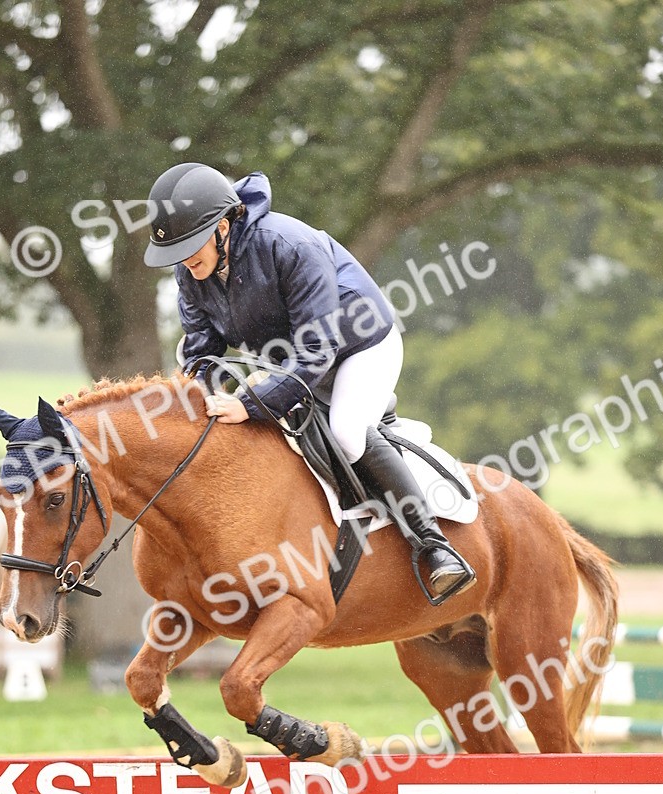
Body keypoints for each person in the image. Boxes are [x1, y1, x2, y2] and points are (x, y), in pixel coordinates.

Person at [143, 162, 475, 599]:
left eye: (191, 244)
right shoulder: (192, 273)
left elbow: (318, 348)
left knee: (348, 433)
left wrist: (250, 404)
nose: (185, 259)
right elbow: (202, 349)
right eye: (177, 251)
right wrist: (200, 393)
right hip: (290, 360)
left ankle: (435, 546)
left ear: (223, 227)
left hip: (359, 345)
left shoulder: (288, 244)